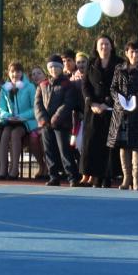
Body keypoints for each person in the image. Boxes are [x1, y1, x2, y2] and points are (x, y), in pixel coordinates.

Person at [107, 41, 138, 190]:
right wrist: (120, 101)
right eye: (132, 52)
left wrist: (135, 100)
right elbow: (113, 88)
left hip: (137, 112)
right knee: (123, 146)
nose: (135, 55)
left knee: (137, 145)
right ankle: (126, 179)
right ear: (126, 53)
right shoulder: (119, 68)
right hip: (121, 113)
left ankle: (136, 180)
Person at [80, 36, 122, 188]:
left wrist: (106, 103)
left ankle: (107, 177)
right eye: (101, 44)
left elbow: (120, 86)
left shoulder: (119, 63)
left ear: (111, 46)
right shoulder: (91, 63)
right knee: (92, 143)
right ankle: (95, 176)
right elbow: (85, 86)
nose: (104, 47)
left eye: (106, 44)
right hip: (93, 111)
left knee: (109, 145)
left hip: (111, 109)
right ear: (96, 47)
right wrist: (92, 103)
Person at [35, 55, 81, 186]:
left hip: (62, 124)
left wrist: (55, 119)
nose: (53, 69)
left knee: (64, 151)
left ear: (61, 68)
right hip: (46, 125)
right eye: (50, 67)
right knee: (49, 151)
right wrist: (43, 119)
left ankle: (72, 177)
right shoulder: (42, 85)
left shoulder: (68, 84)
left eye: (56, 66)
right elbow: (37, 104)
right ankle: (53, 176)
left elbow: (68, 104)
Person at [0, 60, 38, 180]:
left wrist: (21, 116)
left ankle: (14, 169)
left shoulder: (30, 87)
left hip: (26, 121)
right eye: (12, 72)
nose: (15, 74)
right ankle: (3, 169)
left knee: (15, 133)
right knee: (6, 133)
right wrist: (8, 116)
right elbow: (1, 109)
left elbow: (35, 108)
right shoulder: (4, 88)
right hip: (10, 121)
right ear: (8, 73)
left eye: (18, 71)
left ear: (22, 73)